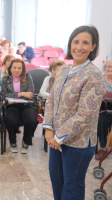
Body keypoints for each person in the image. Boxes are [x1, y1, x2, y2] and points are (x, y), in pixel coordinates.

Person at [42, 26, 104, 200]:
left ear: (93, 47)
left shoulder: (94, 75)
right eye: (76, 42)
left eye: (85, 43)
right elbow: (51, 100)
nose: (79, 47)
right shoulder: (62, 70)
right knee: (56, 179)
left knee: (72, 185)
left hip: (78, 143)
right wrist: (48, 129)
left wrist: (58, 136)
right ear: (70, 44)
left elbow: (85, 115)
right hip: (55, 139)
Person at [2, 58, 38, 154]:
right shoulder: (5, 79)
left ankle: (26, 141)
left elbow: (29, 94)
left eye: (19, 68)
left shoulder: (28, 77)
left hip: (27, 104)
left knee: (31, 120)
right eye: (14, 67)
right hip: (12, 105)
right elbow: (4, 95)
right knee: (11, 120)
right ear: (10, 68)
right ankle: (12, 141)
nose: (17, 70)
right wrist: (21, 94)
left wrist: (16, 95)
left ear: (23, 69)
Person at [95, 58, 112, 160]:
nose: (110, 69)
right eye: (108, 66)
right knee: (101, 120)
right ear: (105, 67)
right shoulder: (99, 79)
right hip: (103, 109)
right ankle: (102, 147)